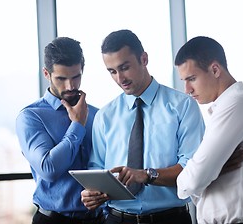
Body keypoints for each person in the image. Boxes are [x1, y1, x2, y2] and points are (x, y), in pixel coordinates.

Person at [80, 29, 205, 224]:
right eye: (112, 71)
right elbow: (97, 168)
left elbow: (192, 168)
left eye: (125, 67)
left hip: (170, 219)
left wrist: (146, 175)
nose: (120, 78)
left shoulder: (183, 106)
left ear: (144, 59)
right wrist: (92, 193)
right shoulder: (105, 116)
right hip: (117, 219)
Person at [175, 36, 243, 224]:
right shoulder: (228, 107)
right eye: (184, 81)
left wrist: (203, 173)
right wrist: (213, 170)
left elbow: (192, 181)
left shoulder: (238, 104)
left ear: (215, 69)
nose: (187, 89)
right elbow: (197, 181)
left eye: (192, 79)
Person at [16, 37, 104, 224]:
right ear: (46, 74)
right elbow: (49, 169)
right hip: (53, 221)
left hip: (99, 219)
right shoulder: (31, 117)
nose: (70, 86)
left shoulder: (98, 115)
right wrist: (78, 125)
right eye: (61, 78)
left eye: (76, 77)